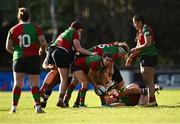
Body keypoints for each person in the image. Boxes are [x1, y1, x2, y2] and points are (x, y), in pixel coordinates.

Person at [6, 7, 47, 113]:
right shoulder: (36, 28)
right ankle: (38, 107)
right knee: (34, 84)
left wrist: (16, 52)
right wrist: (40, 50)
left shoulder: (13, 29)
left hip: (18, 59)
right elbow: (43, 43)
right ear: (29, 16)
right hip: (33, 58)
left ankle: (13, 108)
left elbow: (8, 47)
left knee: (17, 84)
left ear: (19, 17)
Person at [46, 21, 97, 107]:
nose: (80, 34)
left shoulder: (65, 32)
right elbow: (78, 48)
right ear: (78, 29)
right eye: (80, 31)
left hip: (53, 52)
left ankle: (47, 95)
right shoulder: (74, 32)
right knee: (64, 80)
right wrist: (91, 54)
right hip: (61, 53)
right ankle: (59, 100)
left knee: (62, 77)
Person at [126, 14, 158, 106]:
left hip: (149, 56)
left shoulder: (146, 30)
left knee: (149, 80)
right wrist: (130, 58)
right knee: (146, 79)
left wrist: (135, 49)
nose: (134, 24)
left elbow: (148, 44)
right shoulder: (140, 31)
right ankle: (152, 100)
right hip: (145, 57)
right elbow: (138, 48)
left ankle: (151, 101)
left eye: (134, 22)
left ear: (140, 22)